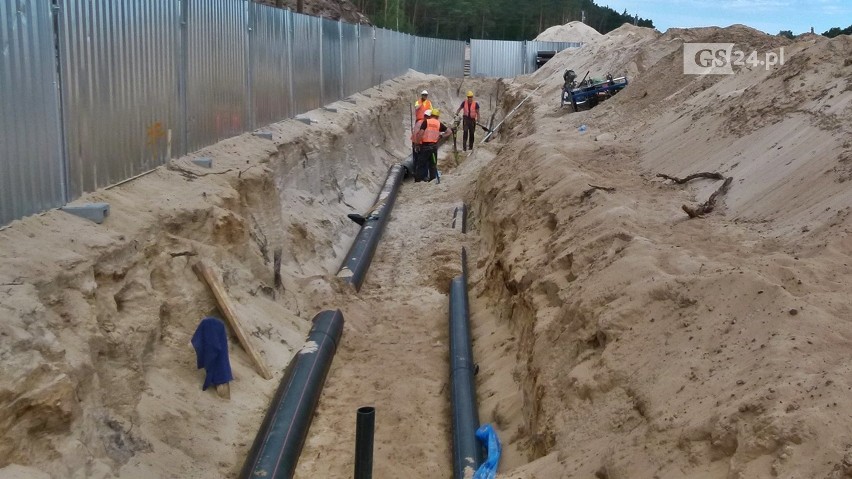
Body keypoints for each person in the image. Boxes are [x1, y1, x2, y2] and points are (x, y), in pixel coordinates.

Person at [415, 108, 453, 182]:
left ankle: (418, 180)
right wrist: (441, 136)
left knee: (421, 163)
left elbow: (421, 134)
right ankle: (432, 179)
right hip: (434, 147)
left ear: (431, 115)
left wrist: (417, 144)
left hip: (425, 146)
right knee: (432, 164)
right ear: (437, 116)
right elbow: (449, 132)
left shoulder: (426, 122)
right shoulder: (439, 123)